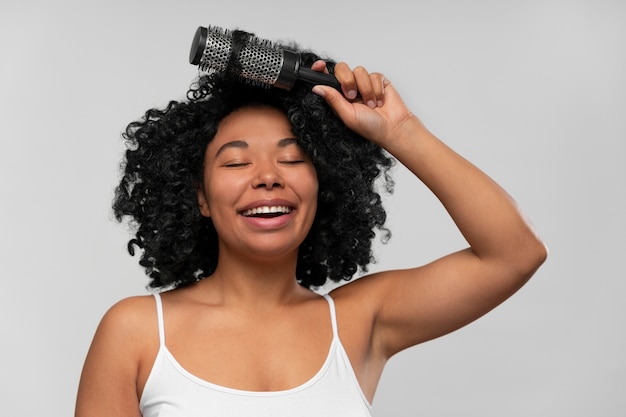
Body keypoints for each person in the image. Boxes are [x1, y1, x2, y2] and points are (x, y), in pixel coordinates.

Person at [75, 31, 547, 417]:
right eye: (236, 164)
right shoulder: (135, 332)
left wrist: (401, 131)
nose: (267, 178)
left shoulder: (362, 321)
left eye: (293, 158)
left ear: (324, 186)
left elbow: (514, 253)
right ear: (198, 196)